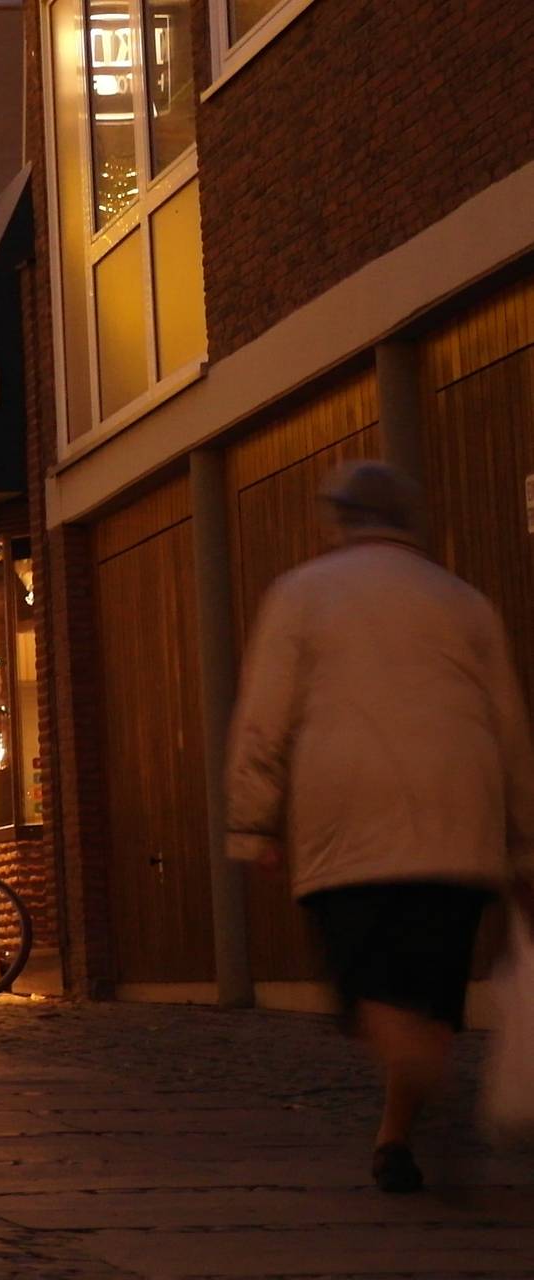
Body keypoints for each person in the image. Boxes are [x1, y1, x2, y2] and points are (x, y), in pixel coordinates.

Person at [223, 460, 534, 1194]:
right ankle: (393, 1138)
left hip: (349, 829)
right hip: (461, 827)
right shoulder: (464, 602)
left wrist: (251, 823)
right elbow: (508, 725)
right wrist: (522, 838)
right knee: (427, 996)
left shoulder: (300, 594)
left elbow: (263, 718)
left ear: (338, 520)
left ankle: (425, 1079)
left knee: (373, 996)